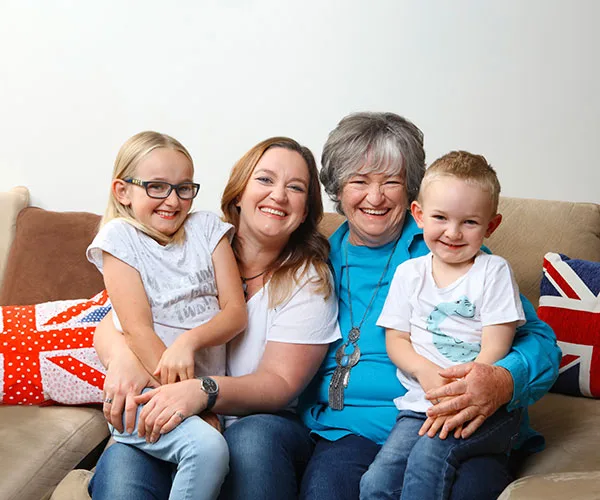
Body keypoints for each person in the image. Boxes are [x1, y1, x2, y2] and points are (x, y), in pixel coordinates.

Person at [296, 112, 560, 500]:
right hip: (350, 430)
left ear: (412, 194)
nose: (375, 197)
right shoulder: (316, 262)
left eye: (391, 181)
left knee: (469, 489)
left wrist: (500, 381)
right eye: (359, 181)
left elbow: (540, 343)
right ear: (338, 189)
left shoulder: (447, 249)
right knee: (327, 491)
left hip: (454, 420)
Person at [87, 136, 341, 500]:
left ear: (306, 209)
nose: (279, 195)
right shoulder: (184, 242)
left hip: (256, 422)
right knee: (123, 468)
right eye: (265, 180)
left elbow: (280, 383)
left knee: (250, 441)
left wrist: (201, 396)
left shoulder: (309, 278)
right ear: (239, 192)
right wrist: (121, 355)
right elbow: (123, 318)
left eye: (296, 187)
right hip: (165, 406)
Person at [87, 131, 248, 500]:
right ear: (123, 191)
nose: (172, 201)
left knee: (206, 449)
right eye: (157, 187)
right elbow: (138, 329)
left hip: (198, 393)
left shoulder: (207, 229)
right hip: (144, 392)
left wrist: (190, 342)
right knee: (207, 448)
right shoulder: (119, 239)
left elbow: (235, 312)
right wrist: (181, 402)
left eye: (183, 188)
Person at [359, 151, 527, 500]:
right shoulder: (409, 274)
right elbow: (397, 339)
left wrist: (466, 391)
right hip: (419, 404)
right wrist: (424, 370)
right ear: (419, 215)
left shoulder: (493, 272)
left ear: (491, 226)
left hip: (481, 407)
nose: (453, 232)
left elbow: (497, 344)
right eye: (440, 217)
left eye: (469, 222)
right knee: (375, 483)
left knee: (426, 464)